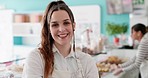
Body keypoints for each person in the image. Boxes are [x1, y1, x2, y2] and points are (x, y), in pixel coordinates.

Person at [22, 0, 99, 78]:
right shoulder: (36, 58)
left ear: (73, 26)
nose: (61, 29)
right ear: (49, 29)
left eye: (66, 23)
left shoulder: (87, 61)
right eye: (55, 25)